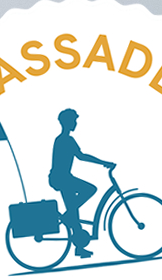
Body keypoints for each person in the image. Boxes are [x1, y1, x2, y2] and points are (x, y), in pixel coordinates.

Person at [48, 108, 114, 258]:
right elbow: (81, 156)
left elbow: (79, 156)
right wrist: (104, 162)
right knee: (90, 189)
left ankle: (79, 247)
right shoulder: (65, 140)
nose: (75, 123)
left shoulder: (63, 139)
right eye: (73, 121)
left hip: (62, 178)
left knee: (74, 213)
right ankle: (67, 216)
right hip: (62, 178)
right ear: (67, 122)